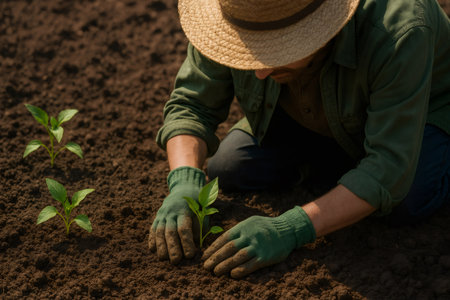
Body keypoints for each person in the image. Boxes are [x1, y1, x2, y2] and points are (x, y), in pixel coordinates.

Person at [148, 0, 450, 279]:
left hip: (420, 116)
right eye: (248, 50)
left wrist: (292, 228)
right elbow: (192, 105)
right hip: (317, 114)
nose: (260, 72)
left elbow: (388, 168)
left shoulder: (399, 28)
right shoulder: (237, 9)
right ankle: (349, 177)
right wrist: (184, 180)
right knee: (230, 168)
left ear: (324, 27)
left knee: (404, 199)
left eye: (276, 51)